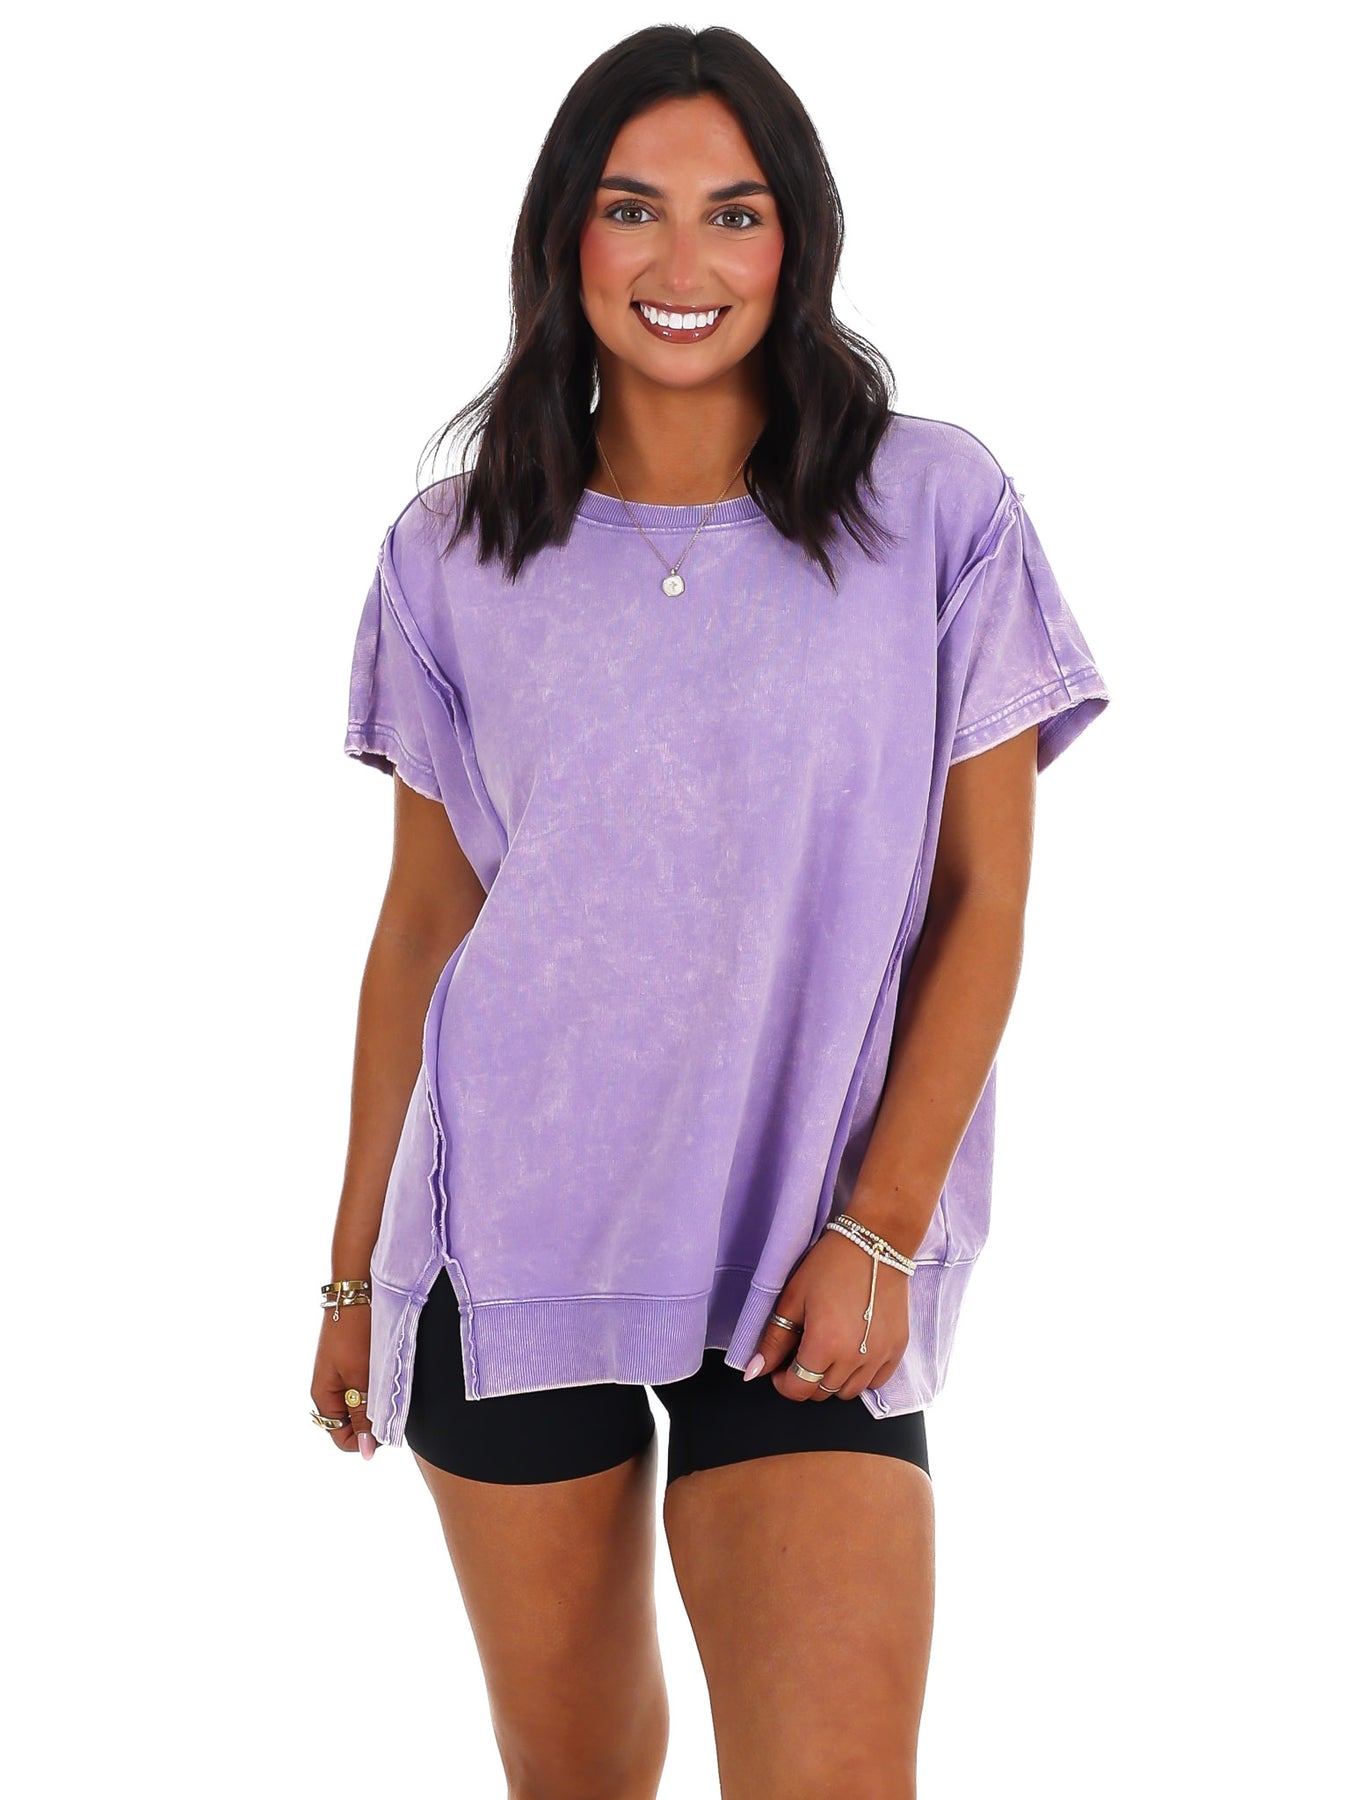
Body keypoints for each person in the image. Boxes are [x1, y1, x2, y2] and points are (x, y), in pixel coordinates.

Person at [310, 24, 1110, 1800]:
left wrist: (880, 1229)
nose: (684, 262)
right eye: (633, 210)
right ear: (564, 238)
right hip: (509, 1248)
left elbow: (979, 897)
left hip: (805, 1248)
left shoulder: (931, 509)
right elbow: (424, 928)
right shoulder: (449, 552)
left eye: (734, 213)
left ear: (794, 239)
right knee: (579, 1779)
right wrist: (355, 1270)